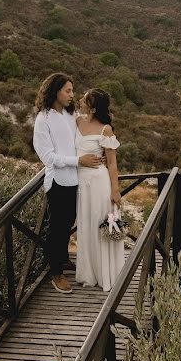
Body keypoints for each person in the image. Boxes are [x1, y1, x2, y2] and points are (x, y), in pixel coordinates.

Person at [32, 73, 104, 294]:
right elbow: (47, 157)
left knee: (68, 223)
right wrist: (78, 161)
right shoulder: (43, 119)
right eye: (68, 90)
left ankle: (62, 259)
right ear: (55, 91)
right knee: (57, 227)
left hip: (77, 180)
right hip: (58, 181)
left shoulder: (70, 115)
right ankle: (55, 273)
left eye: (73, 91)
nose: (72, 95)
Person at [74, 88, 125, 291]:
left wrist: (115, 190)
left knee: (100, 225)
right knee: (85, 225)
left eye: (84, 99)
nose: (80, 99)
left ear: (93, 108)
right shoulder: (77, 121)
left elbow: (112, 164)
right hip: (81, 182)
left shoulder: (106, 130)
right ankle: (89, 273)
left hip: (99, 183)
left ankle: (106, 274)